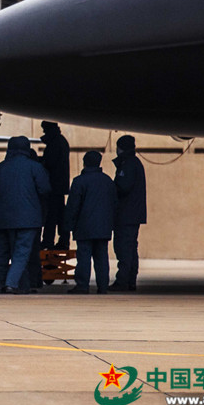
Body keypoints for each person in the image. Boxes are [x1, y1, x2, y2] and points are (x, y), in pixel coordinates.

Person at [0, 136, 51, 294]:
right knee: (22, 252)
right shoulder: (35, 167)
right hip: (29, 218)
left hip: (5, 218)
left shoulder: (1, 168)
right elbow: (45, 189)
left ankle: (11, 284)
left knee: (6, 251)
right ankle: (11, 283)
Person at [63, 151, 117, 294]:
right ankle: (103, 286)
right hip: (103, 227)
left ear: (84, 162)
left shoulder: (79, 181)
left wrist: (68, 225)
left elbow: (73, 206)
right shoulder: (108, 181)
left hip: (84, 226)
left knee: (84, 257)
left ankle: (82, 285)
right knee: (101, 258)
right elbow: (114, 204)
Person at [110, 135, 147, 292]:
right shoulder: (134, 163)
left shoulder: (128, 164)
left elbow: (123, 187)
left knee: (124, 248)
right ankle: (130, 280)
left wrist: (111, 189)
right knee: (131, 248)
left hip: (126, 214)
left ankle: (123, 280)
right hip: (133, 213)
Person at [40, 122, 71, 249]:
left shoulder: (55, 143)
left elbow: (50, 162)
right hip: (59, 185)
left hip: (54, 185)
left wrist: (41, 162)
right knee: (59, 215)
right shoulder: (60, 141)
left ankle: (49, 241)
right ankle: (63, 241)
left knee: (52, 215)